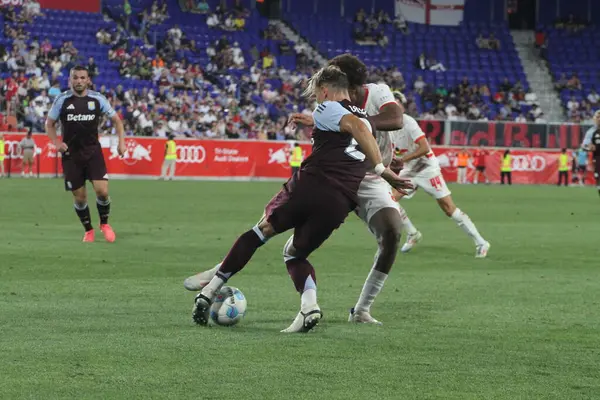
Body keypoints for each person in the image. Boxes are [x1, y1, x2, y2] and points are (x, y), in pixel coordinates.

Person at [185, 54, 419, 325]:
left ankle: (361, 310)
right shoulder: (345, 111)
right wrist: (377, 156)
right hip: (343, 187)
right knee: (284, 243)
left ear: (334, 83)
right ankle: (235, 276)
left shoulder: (364, 98)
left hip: (341, 182)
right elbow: (355, 127)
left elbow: (388, 119)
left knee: (390, 232)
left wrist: (377, 162)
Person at [389, 92, 490, 258]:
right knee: (389, 200)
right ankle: (413, 233)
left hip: (426, 167)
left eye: (397, 103)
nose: (394, 106)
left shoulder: (408, 123)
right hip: (410, 169)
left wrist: (402, 160)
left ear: (402, 106)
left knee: (449, 209)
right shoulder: (387, 127)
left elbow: (424, 147)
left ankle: (481, 242)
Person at [45, 66, 126, 242]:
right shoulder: (62, 100)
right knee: (80, 198)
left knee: (102, 191)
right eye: (76, 78)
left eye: (83, 78)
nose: (79, 81)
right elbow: (49, 124)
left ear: (88, 80)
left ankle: (104, 224)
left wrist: (122, 142)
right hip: (71, 155)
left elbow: (117, 121)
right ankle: (88, 230)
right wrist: (56, 143)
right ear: (70, 80)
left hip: (93, 152)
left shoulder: (97, 99)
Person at [582, 110, 600, 196]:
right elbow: (584, 146)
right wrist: (589, 147)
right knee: (598, 178)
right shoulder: (591, 132)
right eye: (597, 117)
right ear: (594, 119)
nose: (599, 119)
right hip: (597, 158)